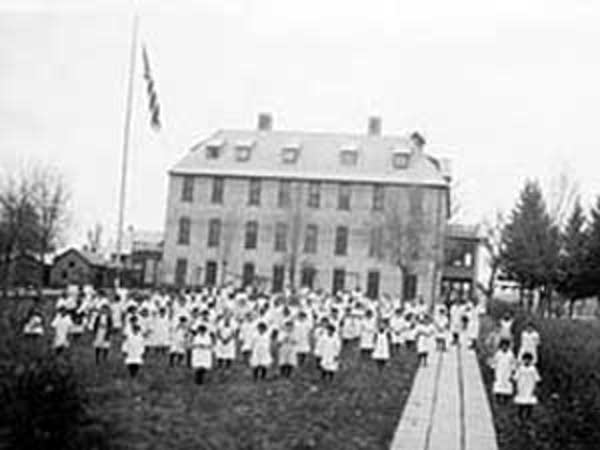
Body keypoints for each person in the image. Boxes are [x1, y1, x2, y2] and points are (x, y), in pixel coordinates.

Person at [512, 352, 541, 422]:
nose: (527, 361)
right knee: (521, 402)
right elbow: (515, 377)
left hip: (530, 387)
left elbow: (537, 378)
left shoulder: (533, 369)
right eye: (525, 359)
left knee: (529, 402)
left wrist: (536, 387)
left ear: (531, 361)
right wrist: (514, 381)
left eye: (528, 360)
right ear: (523, 360)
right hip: (522, 387)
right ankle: (520, 416)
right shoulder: (520, 368)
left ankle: (528, 416)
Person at [491, 339, 516, 404]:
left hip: (507, 372)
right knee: (498, 385)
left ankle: (505, 400)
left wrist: (513, 371)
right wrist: (493, 368)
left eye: (506, 346)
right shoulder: (498, 353)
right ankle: (498, 399)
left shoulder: (510, 354)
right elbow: (494, 362)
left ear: (508, 346)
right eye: (503, 346)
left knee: (507, 385)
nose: (504, 347)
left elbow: (513, 363)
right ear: (501, 346)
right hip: (499, 371)